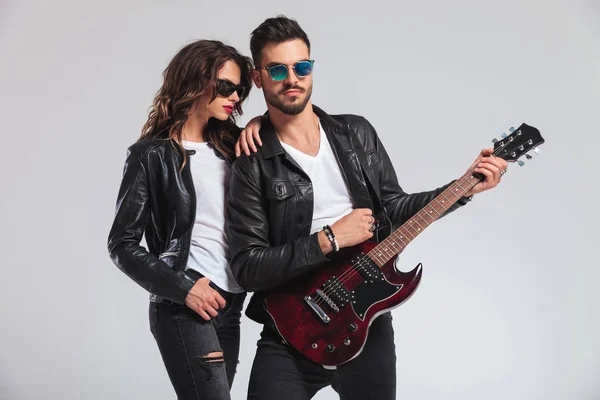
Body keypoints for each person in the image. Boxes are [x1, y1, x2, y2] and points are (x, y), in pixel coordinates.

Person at [227, 16, 509, 400]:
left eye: (301, 67)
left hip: (365, 321)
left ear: (312, 69)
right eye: (277, 69)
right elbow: (247, 268)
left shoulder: (355, 133)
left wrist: (464, 186)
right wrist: (329, 238)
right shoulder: (253, 160)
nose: (292, 79)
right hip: (291, 326)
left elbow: (395, 208)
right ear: (258, 78)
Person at [107, 39, 263, 400]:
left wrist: (261, 122)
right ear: (195, 81)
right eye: (226, 87)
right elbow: (122, 244)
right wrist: (183, 288)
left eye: (240, 90)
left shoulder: (235, 147)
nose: (236, 97)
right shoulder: (151, 155)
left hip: (232, 305)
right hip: (185, 304)